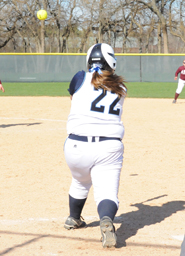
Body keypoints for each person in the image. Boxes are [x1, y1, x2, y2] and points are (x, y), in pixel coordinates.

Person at [63, 43, 127, 248]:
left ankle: (74, 217)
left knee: (80, 182)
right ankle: (106, 220)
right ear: (112, 62)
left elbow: (75, 97)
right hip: (109, 146)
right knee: (107, 192)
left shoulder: (79, 77)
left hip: (76, 146)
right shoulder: (122, 87)